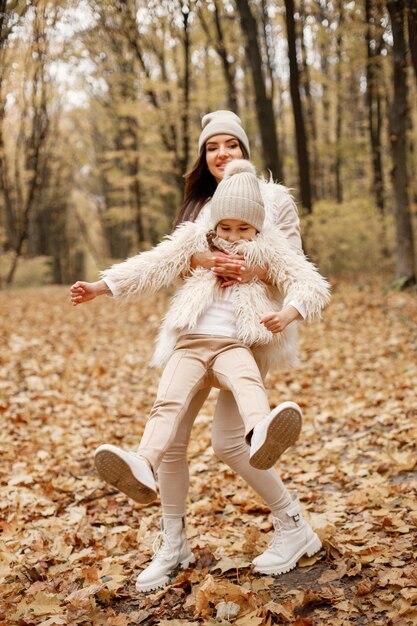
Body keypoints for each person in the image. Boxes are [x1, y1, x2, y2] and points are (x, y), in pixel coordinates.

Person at [70, 111, 329, 592]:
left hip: (244, 338)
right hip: (191, 338)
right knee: (170, 442)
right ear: (203, 155)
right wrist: (184, 260)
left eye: (232, 144)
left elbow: (294, 266)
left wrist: (255, 272)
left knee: (231, 443)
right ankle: (173, 544)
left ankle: (294, 526)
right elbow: (163, 262)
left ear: (246, 151)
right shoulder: (196, 210)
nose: (222, 153)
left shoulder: (272, 202)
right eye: (213, 146)